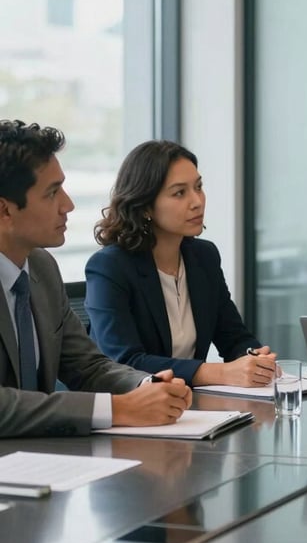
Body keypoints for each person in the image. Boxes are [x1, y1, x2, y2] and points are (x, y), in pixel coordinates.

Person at [0, 121, 191, 438]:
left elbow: (88, 366)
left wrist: (149, 386)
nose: (68, 205)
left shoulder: (42, 268)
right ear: (5, 211)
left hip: (42, 457)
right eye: (52, 193)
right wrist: (119, 409)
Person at [85, 140, 275, 387]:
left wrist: (255, 359)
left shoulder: (204, 257)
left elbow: (234, 338)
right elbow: (125, 362)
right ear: (145, 207)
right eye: (179, 193)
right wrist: (220, 373)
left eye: (198, 187)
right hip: (130, 404)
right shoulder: (110, 267)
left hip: (189, 403)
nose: (197, 201)